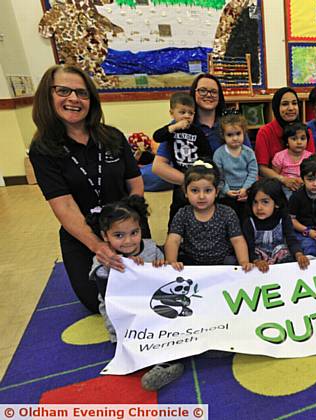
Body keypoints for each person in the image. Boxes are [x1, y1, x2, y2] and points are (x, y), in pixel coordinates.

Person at [29, 64, 144, 313]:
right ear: (48, 97)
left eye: (82, 93)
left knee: (144, 286)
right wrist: (99, 246)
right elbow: (64, 206)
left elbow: (135, 184)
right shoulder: (43, 149)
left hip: (125, 228)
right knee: (97, 300)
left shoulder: (112, 136)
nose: (73, 99)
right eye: (63, 91)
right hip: (84, 236)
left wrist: (130, 230)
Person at [86, 195, 183, 391]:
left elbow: (163, 278)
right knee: (133, 346)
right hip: (124, 321)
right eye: (119, 235)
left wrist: (158, 266)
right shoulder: (104, 260)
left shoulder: (150, 247)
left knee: (176, 325)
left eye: (134, 232)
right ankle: (165, 364)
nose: (129, 241)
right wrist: (127, 266)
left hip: (153, 309)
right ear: (105, 236)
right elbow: (109, 294)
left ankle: (191, 351)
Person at [152, 74, 251, 221]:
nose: (208, 95)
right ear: (194, 93)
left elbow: (249, 160)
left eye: (213, 92)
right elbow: (158, 166)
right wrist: (196, 183)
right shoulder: (179, 125)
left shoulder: (231, 124)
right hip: (187, 201)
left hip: (228, 197)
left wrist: (247, 188)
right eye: (203, 91)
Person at [164, 161, 253, 271]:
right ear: (185, 192)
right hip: (191, 263)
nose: (201, 196)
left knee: (232, 262)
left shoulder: (227, 213)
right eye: (195, 190)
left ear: (216, 192)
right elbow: (173, 240)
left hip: (223, 263)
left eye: (208, 190)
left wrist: (244, 263)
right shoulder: (182, 214)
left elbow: (237, 240)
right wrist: (171, 263)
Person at [153, 92, 213, 227]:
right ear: (172, 113)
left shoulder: (197, 132)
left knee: (197, 207)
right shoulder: (170, 130)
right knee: (177, 207)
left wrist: (203, 168)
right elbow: (157, 136)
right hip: (179, 176)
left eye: (190, 113)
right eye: (182, 112)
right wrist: (174, 127)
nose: (187, 116)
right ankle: (173, 234)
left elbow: (206, 152)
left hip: (196, 172)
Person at [243, 178, 310, 273]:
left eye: (265, 202)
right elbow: (248, 247)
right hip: (258, 262)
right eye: (255, 202)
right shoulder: (249, 222)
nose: (259, 207)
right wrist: (256, 261)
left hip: (281, 258)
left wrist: (299, 255)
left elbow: (291, 239)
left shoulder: (284, 218)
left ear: (277, 203)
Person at [255, 87, 316, 191]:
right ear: (276, 107)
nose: (291, 108)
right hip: (274, 184)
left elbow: (312, 162)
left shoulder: (305, 131)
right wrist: (283, 179)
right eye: (285, 104)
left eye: (294, 103)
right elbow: (261, 168)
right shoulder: (265, 132)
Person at [213, 113, 258, 221]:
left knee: (247, 217)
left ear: (244, 133)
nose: (235, 138)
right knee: (227, 217)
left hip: (246, 191)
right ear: (223, 136)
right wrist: (226, 190)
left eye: (238, 133)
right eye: (230, 135)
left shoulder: (248, 152)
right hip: (226, 194)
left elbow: (253, 172)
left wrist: (245, 189)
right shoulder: (219, 154)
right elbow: (218, 175)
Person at [272, 121, 313, 198]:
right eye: (294, 139)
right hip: (286, 188)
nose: (299, 142)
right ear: (287, 141)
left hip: (305, 187)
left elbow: (313, 175)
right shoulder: (280, 157)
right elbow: (275, 178)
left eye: (303, 138)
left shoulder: (310, 157)